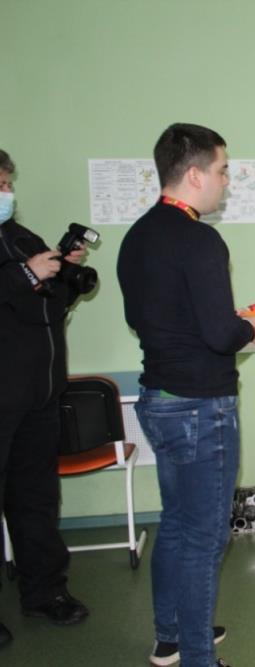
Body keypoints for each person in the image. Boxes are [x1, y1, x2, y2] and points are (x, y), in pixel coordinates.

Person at [117, 124, 255, 667]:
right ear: (196, 174)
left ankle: (172, 637)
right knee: (205, 539)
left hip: (158, 400)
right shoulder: (200, 239)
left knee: (177, 524)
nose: (227, 181)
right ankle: (199, 658)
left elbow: (148, 318)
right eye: (223, 170)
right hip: (202, 407)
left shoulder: (138, 236)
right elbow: (220, 335)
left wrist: (225, 323)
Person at [0, 149, 91, 648]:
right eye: (0, 184)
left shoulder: (22, 238)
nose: (7, 193)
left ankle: (45, 592)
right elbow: (17, 288)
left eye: (8, 183)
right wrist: (26, 275)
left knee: (36, 500)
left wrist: (65, 275)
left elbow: (49, 308)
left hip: (39, 397)